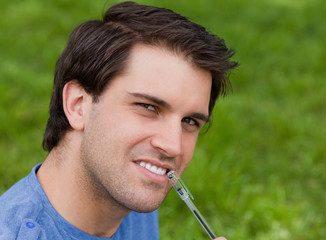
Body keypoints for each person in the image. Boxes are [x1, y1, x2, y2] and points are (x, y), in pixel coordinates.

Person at [0, 1, 237, 239]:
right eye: (148, 107)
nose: (172, 146)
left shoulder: (127, 187)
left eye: (190, 121)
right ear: (78, 105)